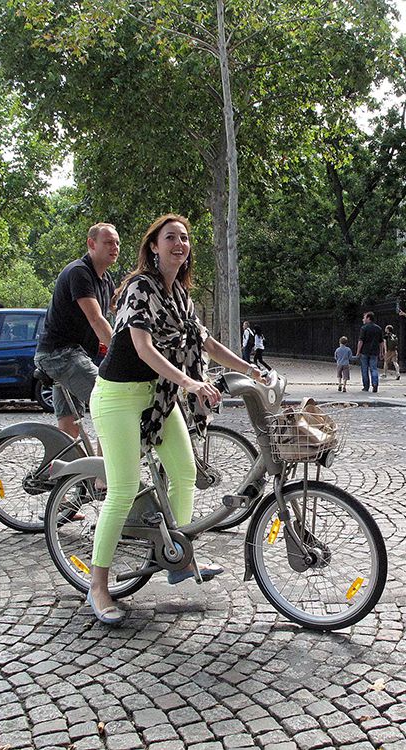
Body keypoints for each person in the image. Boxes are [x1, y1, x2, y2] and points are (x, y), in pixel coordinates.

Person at [86, 213, 264, 625]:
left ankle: (178, 558)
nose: (179, 244)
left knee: (184, 472)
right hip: (117, 397)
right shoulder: (138, 289)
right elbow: (144, 349)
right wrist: (192, 384)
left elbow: (209, 343)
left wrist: (253, 370)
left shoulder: (181, 296)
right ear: (153, 246)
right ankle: (98, 586)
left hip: (156, 397)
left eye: (184, 238)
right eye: (171, 238)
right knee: (125, 488)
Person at [35, 223, 118, 438]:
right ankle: (105, 471)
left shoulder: (106, 280)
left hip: (74, 355)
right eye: (108, 242)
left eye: (117, 243)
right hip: (60, 354)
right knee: (112, 405)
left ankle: (58, 470)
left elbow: (124, 311)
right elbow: (97, 319)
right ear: (91, 243)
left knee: (69, 428)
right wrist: (122, 353)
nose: (115, 247)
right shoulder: (79, 272)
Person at [355, 312, 386, 393]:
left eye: (364, 317)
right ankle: (375, 384)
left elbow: (361, 341)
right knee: (374, 369)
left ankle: (366, 386)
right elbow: (381, 342)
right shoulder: (378, 328)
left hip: (365, 351)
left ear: (368, 318)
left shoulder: (364, 328)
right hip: (375, 352)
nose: (363, 319)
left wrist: (358, 351)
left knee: (364, 369)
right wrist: (382, 352)